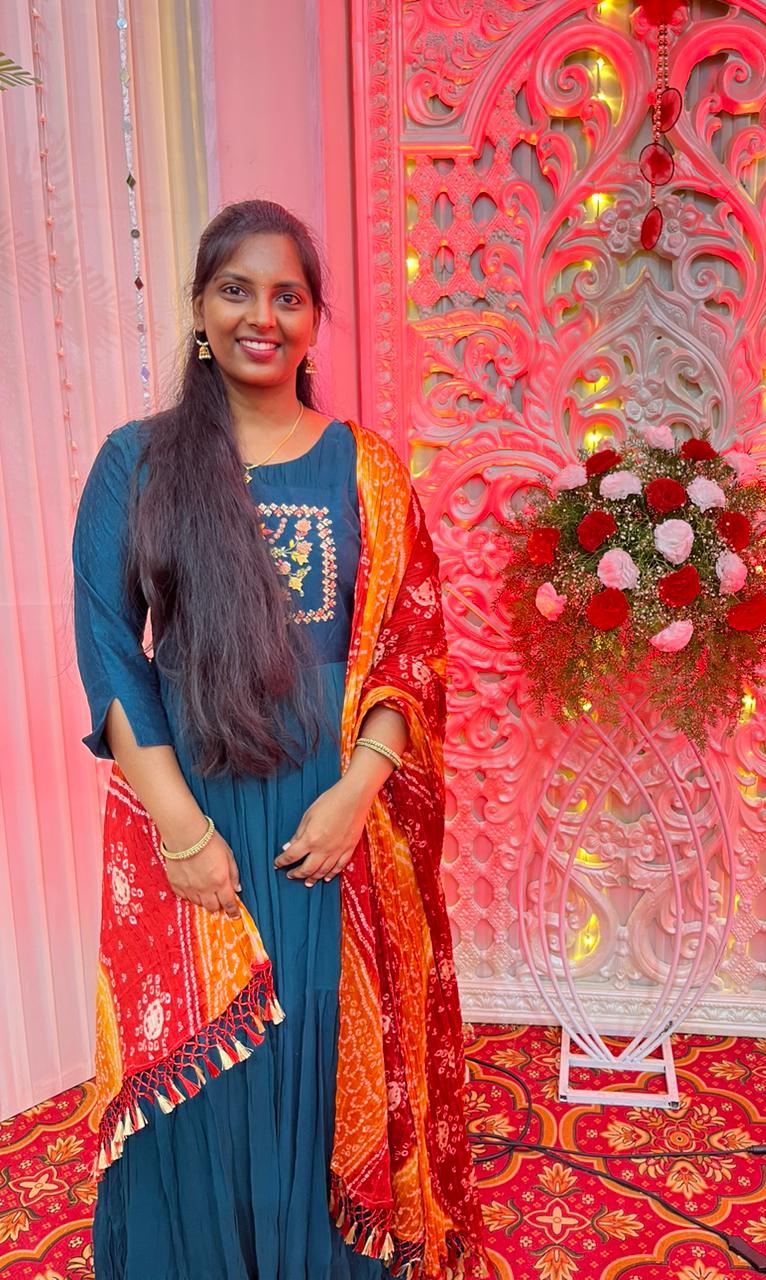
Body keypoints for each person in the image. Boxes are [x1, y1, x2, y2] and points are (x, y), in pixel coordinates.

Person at [73, 200, 484, 1280]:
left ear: (313, 321)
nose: (263, 315)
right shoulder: (137, 463)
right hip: (190, 819)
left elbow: (411, 647)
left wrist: (356, 794)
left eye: (288, 296)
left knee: (319, 1057)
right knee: (208, 1077)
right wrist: (181, 834)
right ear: (200, 311)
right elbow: (111, 655)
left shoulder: (367, 469)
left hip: (327, 828)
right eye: (237, 291)